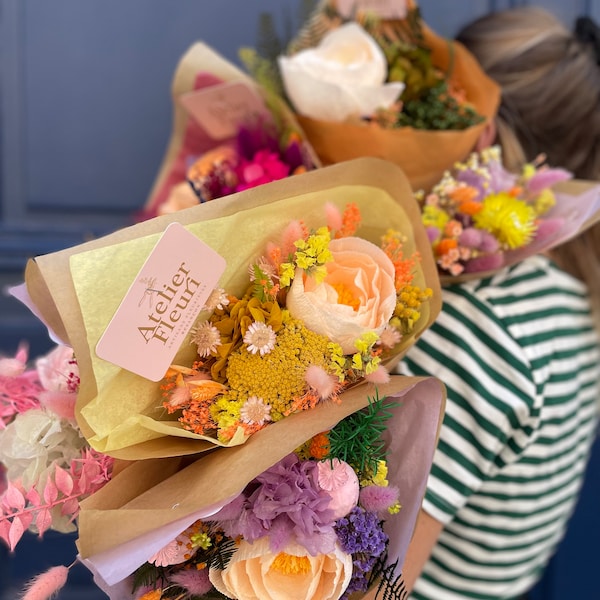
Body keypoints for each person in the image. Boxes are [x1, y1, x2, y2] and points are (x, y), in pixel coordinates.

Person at [393, 6, 600, 600]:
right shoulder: (561, 279)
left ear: (480, 133)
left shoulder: (480, 321)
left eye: (436, 109)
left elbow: (378, 582)